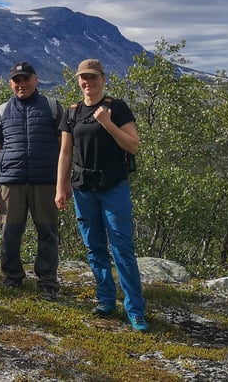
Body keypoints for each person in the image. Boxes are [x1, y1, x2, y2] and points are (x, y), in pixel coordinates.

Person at [55, 59, 148, 332]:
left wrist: (107, 123)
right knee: (94, 248)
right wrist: (61, 187)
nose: (87, 82)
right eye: (83, 78)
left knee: (122, 249)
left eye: (92, 77)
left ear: (103, 79)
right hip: (84, 188)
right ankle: (106, 300)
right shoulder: (71, 113)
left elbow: (133, 146)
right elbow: (65, 153)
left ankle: (135, 310)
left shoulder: (116, 108)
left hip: (113, 187)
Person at [0, 61, 63, 298]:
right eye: (16, 80)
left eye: (26, 79)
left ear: (36, 79)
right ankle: (12, 276)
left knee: (47, 232)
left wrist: (63, 183)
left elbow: (65, 147)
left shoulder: (52, 107)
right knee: (9, 231)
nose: (21, 84)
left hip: (45, 181)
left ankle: (48, 280)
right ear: (10, 83)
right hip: (12, 181)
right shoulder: (2, 111)